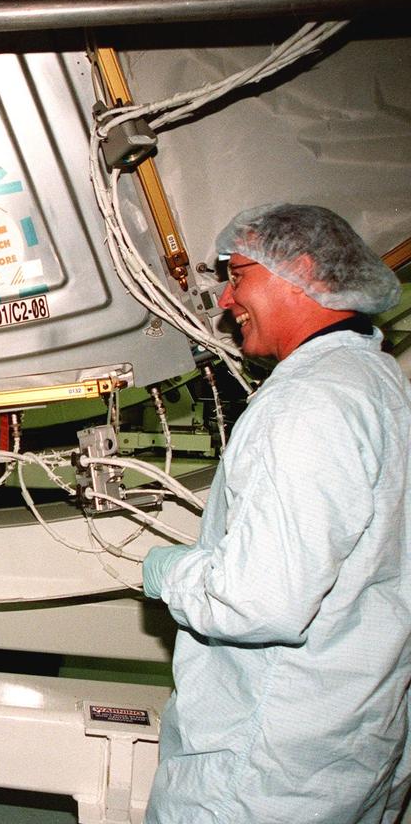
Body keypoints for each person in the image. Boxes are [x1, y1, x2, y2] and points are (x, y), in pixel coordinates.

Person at [141, 203, 410, 823]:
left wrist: (170, 572)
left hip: (264, 766)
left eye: (237, 276)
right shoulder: (377, 382)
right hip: (351, 736)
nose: (226, 300)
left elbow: (260, 601)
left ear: (303, 269)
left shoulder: (308, 404)